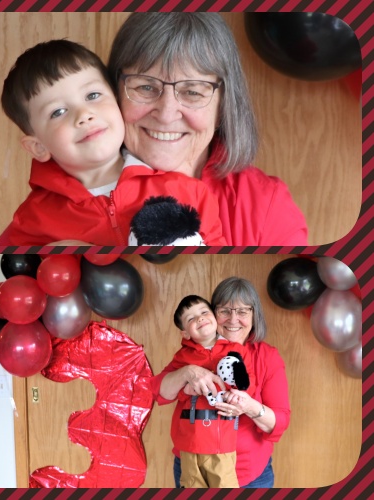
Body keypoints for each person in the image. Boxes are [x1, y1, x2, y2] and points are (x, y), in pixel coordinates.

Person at [0, 39, 226, 246]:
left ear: (117, 100)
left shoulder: (188, 192)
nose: (84, 115)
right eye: (58, 112)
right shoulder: (32, 221)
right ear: (38, 147)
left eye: (93, 96)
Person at [107, 13, 308, 246]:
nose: (166, 114)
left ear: (223, 105)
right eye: (145, 87)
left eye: (192, 92)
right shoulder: (73, 193)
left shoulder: (267, 208)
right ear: (114, 91)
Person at [151, 277, 291, 487]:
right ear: (214, 314)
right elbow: (158, 391)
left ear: (254, 316)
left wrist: (248, 406)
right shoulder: (190, 353)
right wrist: (187, 372)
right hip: (192, 463)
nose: (233, 319)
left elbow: (279, 422)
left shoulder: (267, 356)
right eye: (225, 310)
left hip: (247, 473)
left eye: (242, 311)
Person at [164, 294, 255, 488]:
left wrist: (235, 396)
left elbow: (248, 385)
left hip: (221, 445)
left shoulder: (237, 351)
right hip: (189, 444)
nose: (200, 318)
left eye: (204, 312)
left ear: (214, 317)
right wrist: (186, 390)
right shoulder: (181, 358)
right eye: (191, 318)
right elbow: (171, 391)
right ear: (185, 333)